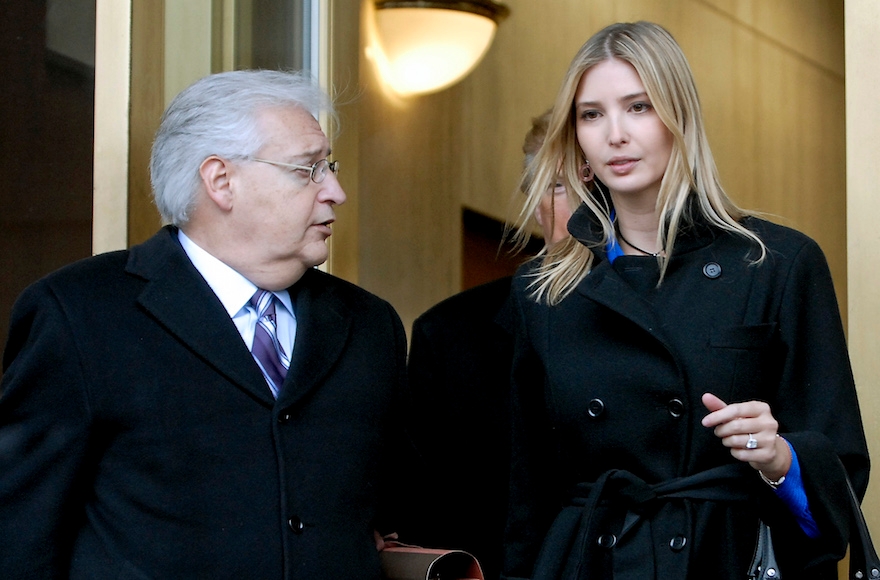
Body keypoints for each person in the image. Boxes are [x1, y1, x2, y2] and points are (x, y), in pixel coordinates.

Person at [0, 69, 408, 579]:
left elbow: (383, 511)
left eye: (329, 166)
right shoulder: (79, 313)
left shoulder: (370, 325)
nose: (335, 191)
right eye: (308, 170)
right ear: (221, 181)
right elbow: (20, 534)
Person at [503, 21, 869, 580]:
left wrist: (780, 459)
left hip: (722, 555)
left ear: (680, 118)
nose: (614, 135)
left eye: (639, 107)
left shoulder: (776, 264)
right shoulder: (546, 291)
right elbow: (529, 492)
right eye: (591, 114)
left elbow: (842, 470)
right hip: (593, 561)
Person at [405, 109, 576, 579]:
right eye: (558, 185)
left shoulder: (685, 320)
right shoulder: (448, 335)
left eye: (598, 180)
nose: (586, 204)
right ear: (534, 203)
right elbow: (424, 513)